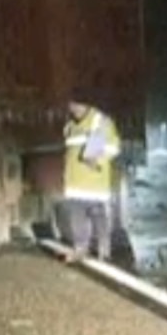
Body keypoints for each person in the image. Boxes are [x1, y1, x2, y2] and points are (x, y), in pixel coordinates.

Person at [59, 98, 123, 261]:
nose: (73, 107)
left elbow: (113, 147)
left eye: (75, 103)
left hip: (94, 183)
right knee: (77, 219)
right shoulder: (71, 126)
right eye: (71, 104)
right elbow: (70, 152)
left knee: (98, 217)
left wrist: (96, 158)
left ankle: (104, 251)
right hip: (75, 184)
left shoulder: (99, 121)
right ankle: (80, 249)